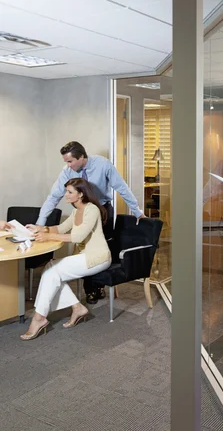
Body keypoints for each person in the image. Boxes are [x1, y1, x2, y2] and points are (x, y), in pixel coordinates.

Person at [35, 141, 145, 304]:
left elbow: (122, 188)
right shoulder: (67, 172)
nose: (67, 165)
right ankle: (91, 289)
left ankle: (97, 286)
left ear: (81, 157)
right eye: (66, 161)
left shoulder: (103, 164)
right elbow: (53, 197)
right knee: (84, 247)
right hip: (81, 210)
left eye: (70, 161)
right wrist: (40, 223)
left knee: (99, 247)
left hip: (102, 209)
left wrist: (137, 211)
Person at [21, 178, 111, 341]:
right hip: (83, 256)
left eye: (70, 192)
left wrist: (47, 236)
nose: (66, 195)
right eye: (66, 191)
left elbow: (77, 236)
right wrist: (42, 228)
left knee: (51, 271)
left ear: (81, 194)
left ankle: (39, 317)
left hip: (97, 257)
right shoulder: (77, 210)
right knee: (51, 269)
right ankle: (76, 308)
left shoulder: (92, 210)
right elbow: (62, 228)